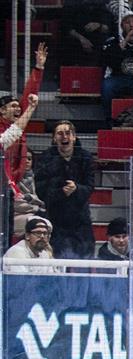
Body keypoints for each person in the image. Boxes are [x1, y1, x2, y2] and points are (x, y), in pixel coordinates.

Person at [34, 120, 95, 260]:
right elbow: (41, 190)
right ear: (54, 138)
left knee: (83, 262)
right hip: (55, 219)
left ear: (74, 137)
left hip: (80, 220)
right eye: (60, 133)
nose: (64, 137)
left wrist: (76, 189)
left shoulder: (85, 157)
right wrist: (61, 192)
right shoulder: (45, 159)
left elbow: (90, 187)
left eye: (68, 133)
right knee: (57, 261)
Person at [0, 42, 44, 185]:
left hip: (13, 182)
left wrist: (39, 68)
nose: (18, 109)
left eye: (19, 107)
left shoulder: (17, 124)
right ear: (2, 110)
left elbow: (29, 95)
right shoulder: (4, 129)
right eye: (13, 106)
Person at [101, 13, 133, 120]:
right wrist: (125, 41)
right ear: (122, 25)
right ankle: (109, 122)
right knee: (107, 86)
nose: (131, 25)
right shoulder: (112, 41)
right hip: (119, 77)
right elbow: (109, 61)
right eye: (128, 22)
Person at [11, 150, 45, 234]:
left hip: (37, 214)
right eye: (24, 158)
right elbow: (17, 204)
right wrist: (36, 205)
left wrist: (30, 198)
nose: (27, 161)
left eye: (29, 159)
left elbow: (43, 199)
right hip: (17, 216)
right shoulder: (12, 179)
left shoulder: (38, 177)